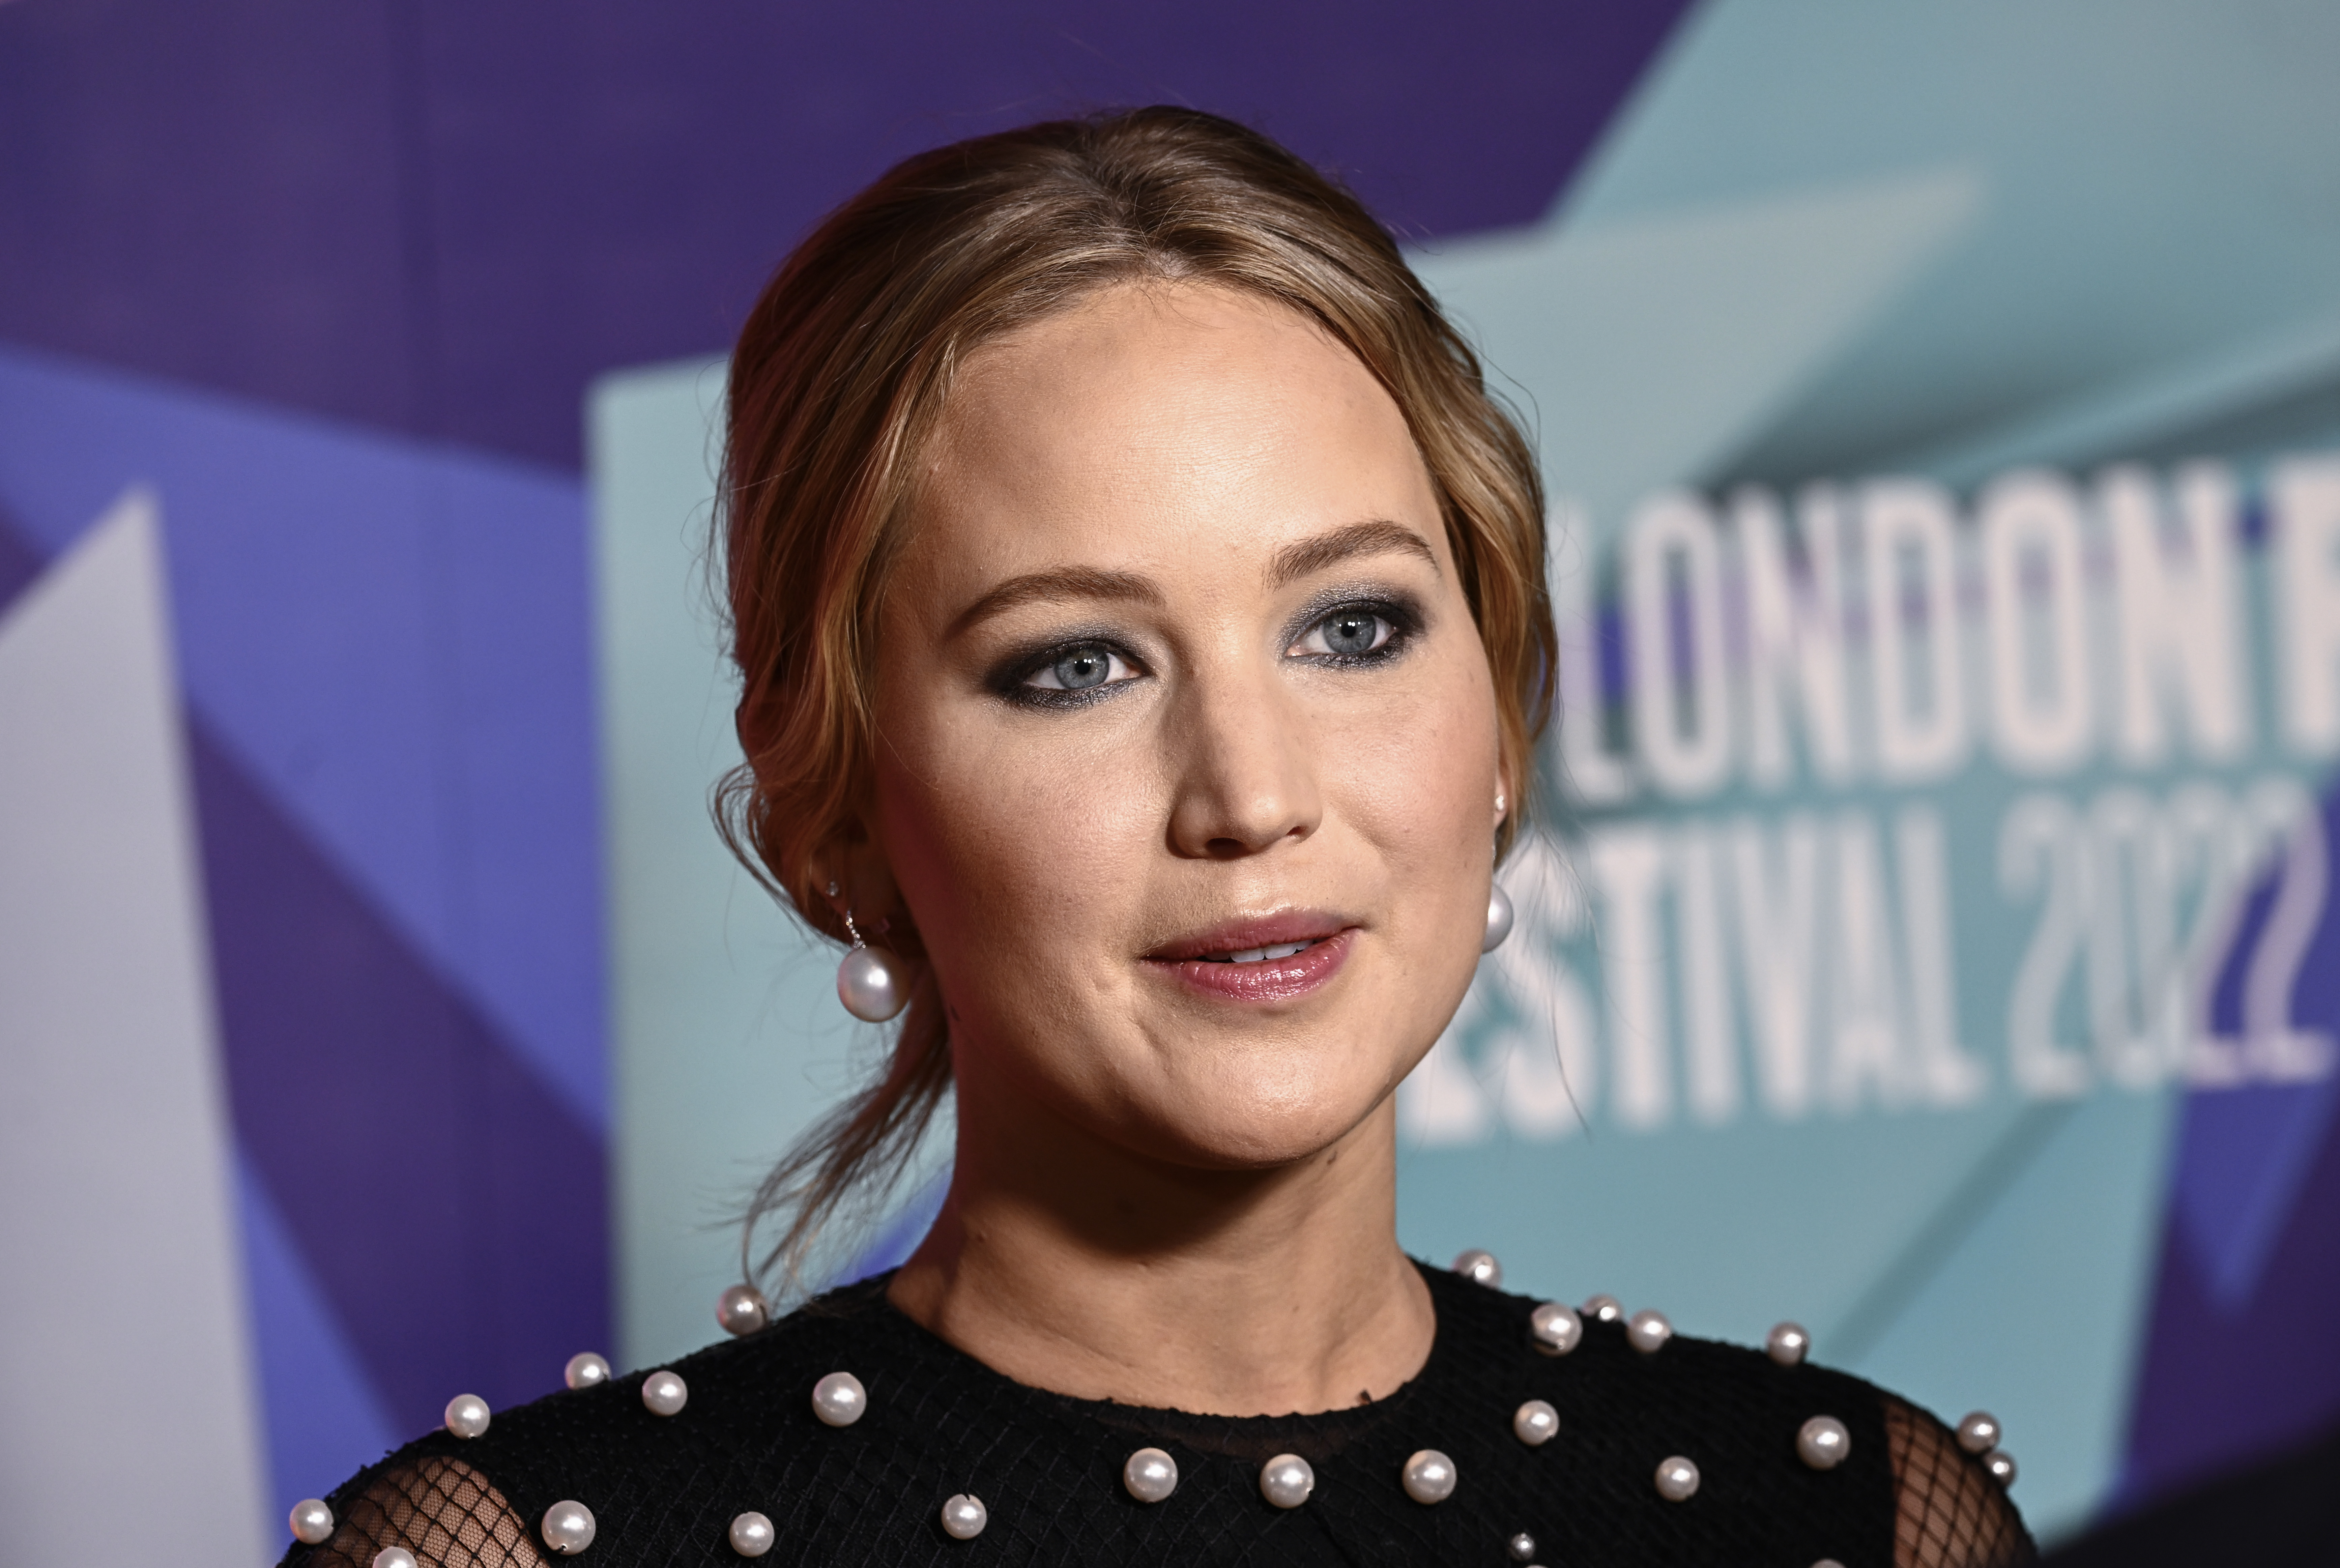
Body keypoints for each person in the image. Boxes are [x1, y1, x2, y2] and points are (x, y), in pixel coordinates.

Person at [282, 107, 2032, 1568]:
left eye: (1352, 627)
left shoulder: (1852, 1519)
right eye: (1076, 666)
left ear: (1501, 720)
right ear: (837, 818)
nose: (1252, 795)